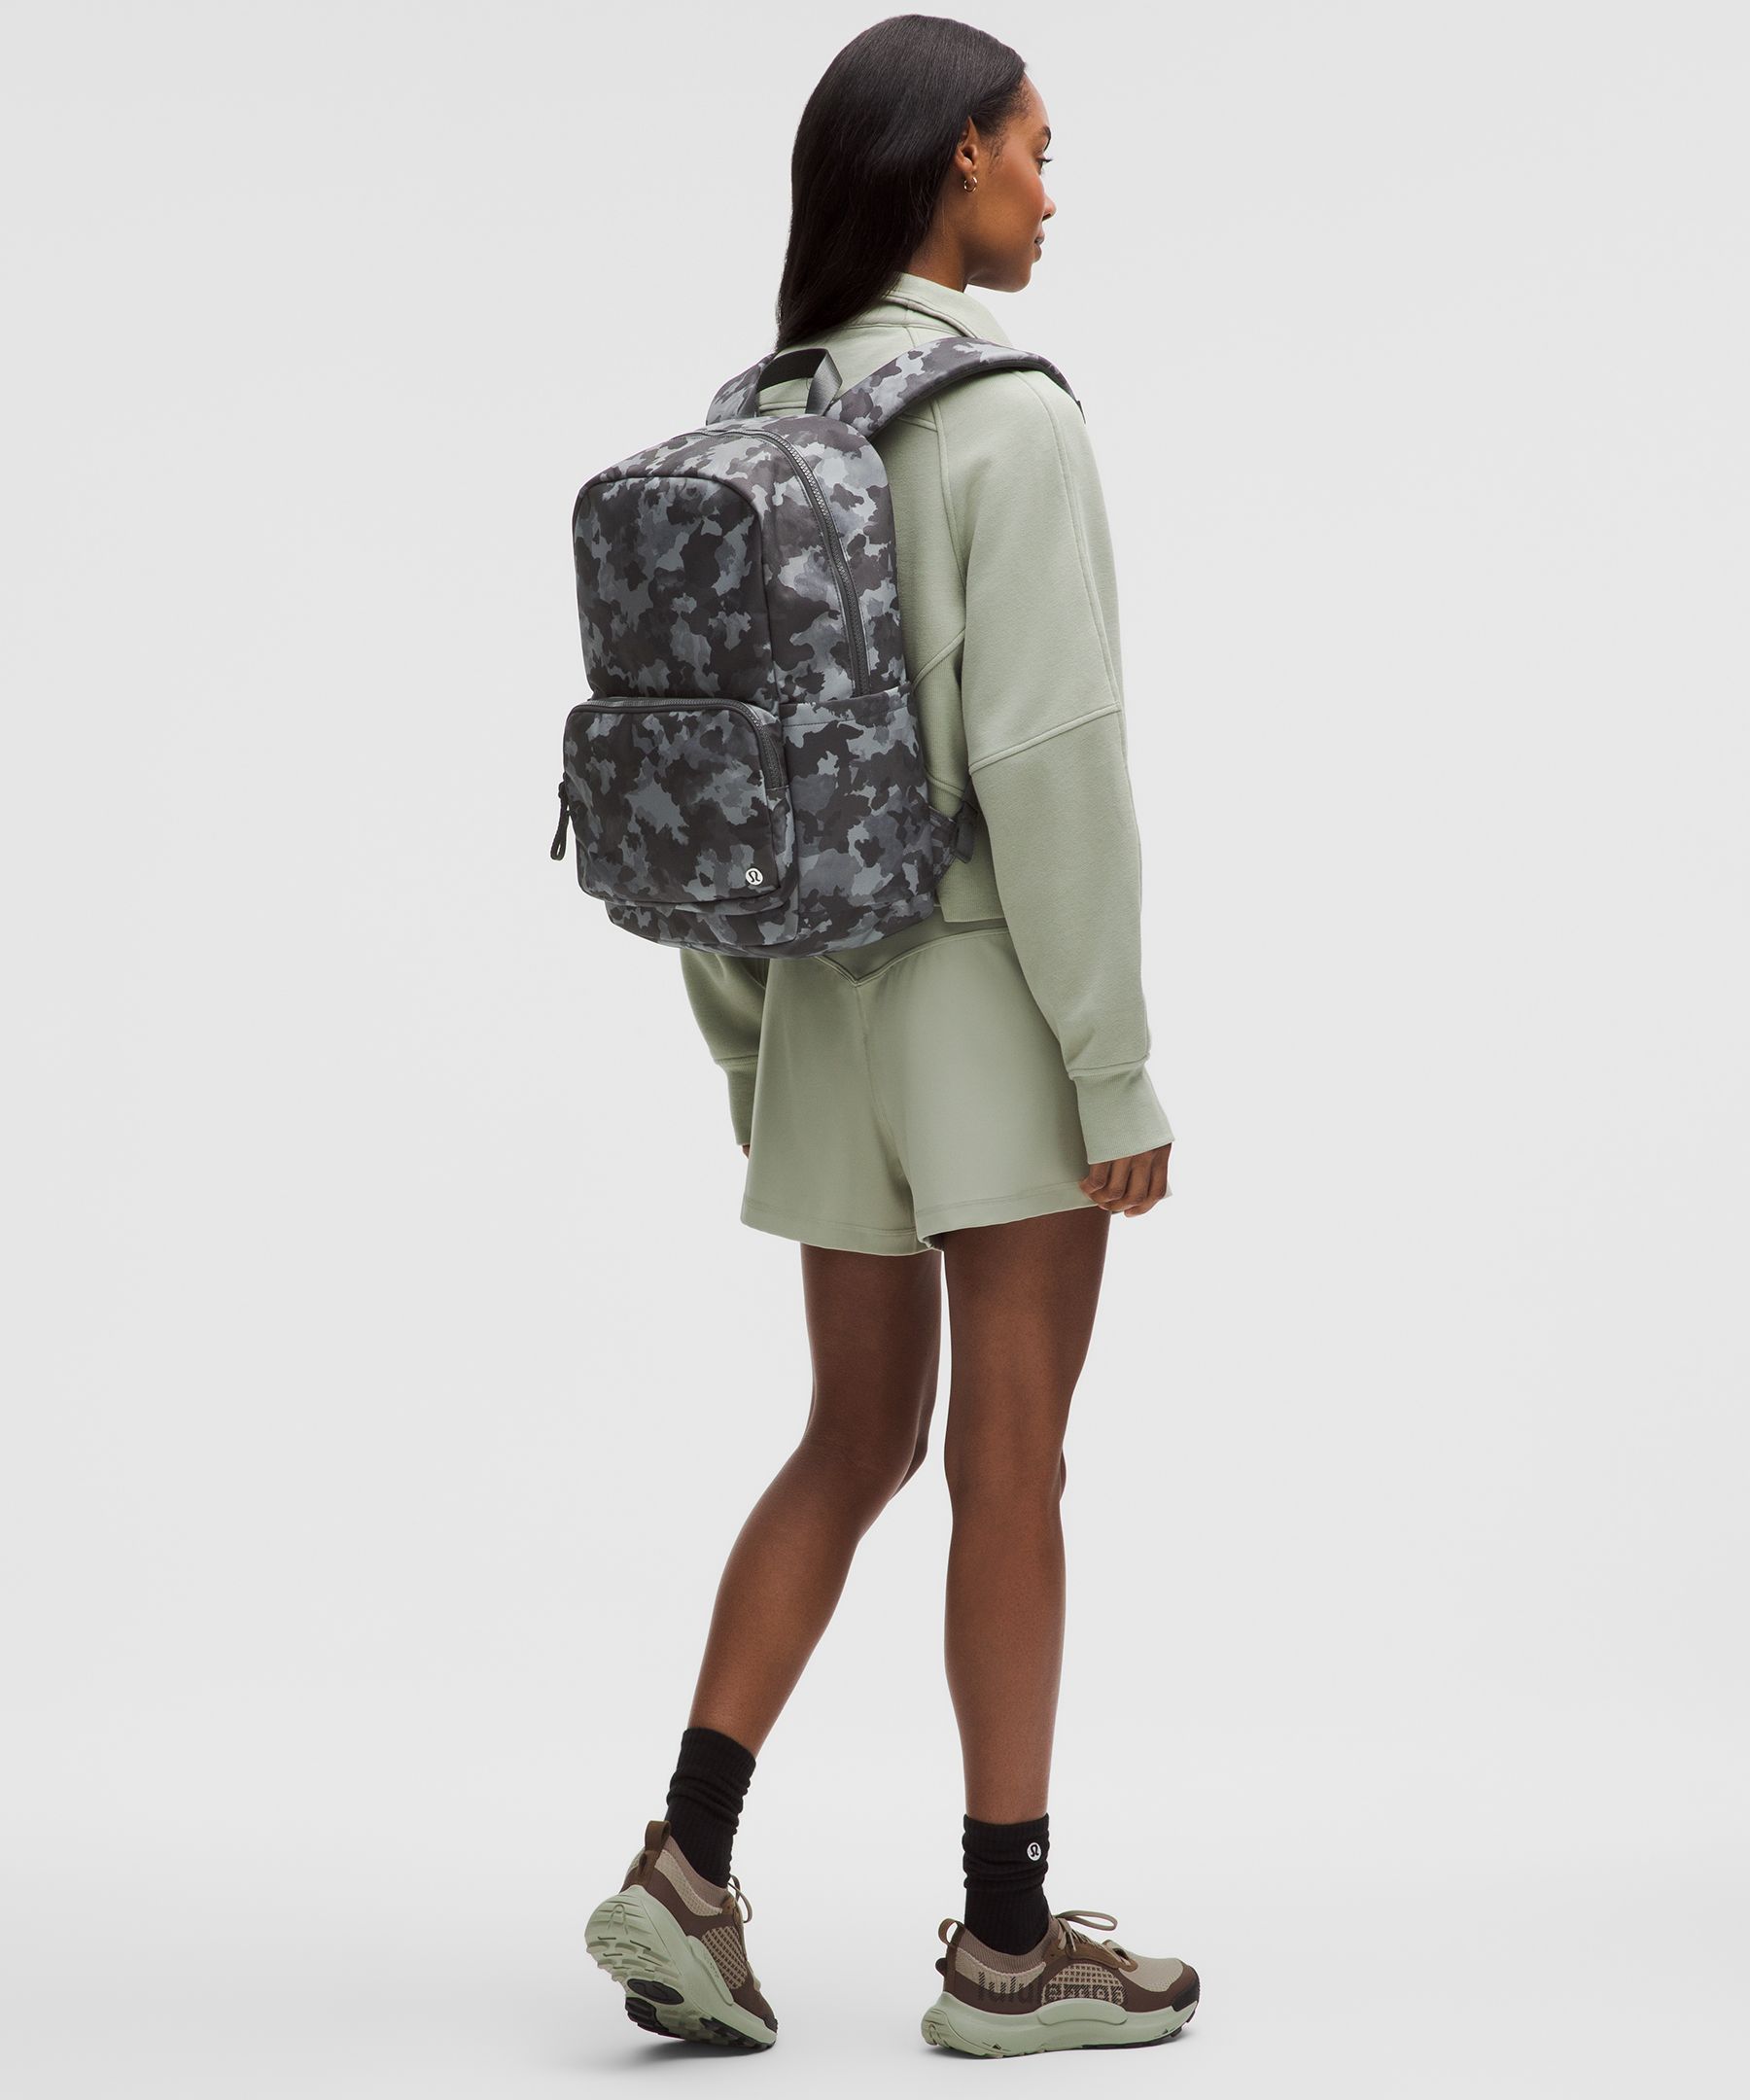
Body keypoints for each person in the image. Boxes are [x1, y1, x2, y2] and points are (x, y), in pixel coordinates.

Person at [584, 14, 1198, 2059]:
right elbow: (1052, 766)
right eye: (1035, 147)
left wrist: (752, 1053)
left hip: (816, 1008)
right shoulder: (1004, 418)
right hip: (987, 997)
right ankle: (1009, 1949)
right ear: (955, 160)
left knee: (854, 1437)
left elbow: (708, 780)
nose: (1050, 190)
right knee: (1009, 1457)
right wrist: (1110, 1063)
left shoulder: (757, 414)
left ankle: (688, 1861)